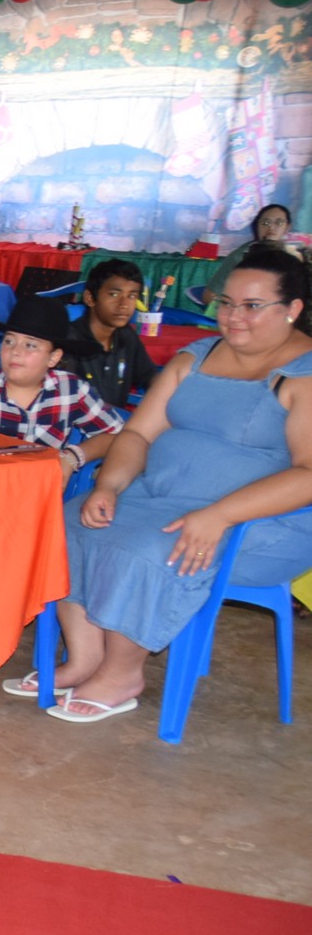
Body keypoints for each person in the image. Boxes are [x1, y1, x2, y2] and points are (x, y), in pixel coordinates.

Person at [29, 247, 312, 721]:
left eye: (252, 306)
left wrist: (221, 515)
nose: (233, 317)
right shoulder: (195, 358)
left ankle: (123, 673)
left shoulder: (302, 374)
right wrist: (109, 488)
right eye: (225, 303)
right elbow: (138, 432)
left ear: (292, 310)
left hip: (259, 523)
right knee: (66, 522)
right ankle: (86, 656)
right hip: (159, 500)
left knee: (146, 547)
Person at [0, 296, 124, 482]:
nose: (15, 351)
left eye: (30, 345)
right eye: (9, 341)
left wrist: (72, 457)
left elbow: (115, 433)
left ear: (53, 358)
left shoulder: (72, 391)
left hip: (41, 491)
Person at [66, 258, 156, 409]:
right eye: (114, 294)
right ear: (90, 298)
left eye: (132, 296)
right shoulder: (69, 342)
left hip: (115, 425)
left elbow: (149, 375)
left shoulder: (126, 336)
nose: (124, 304)